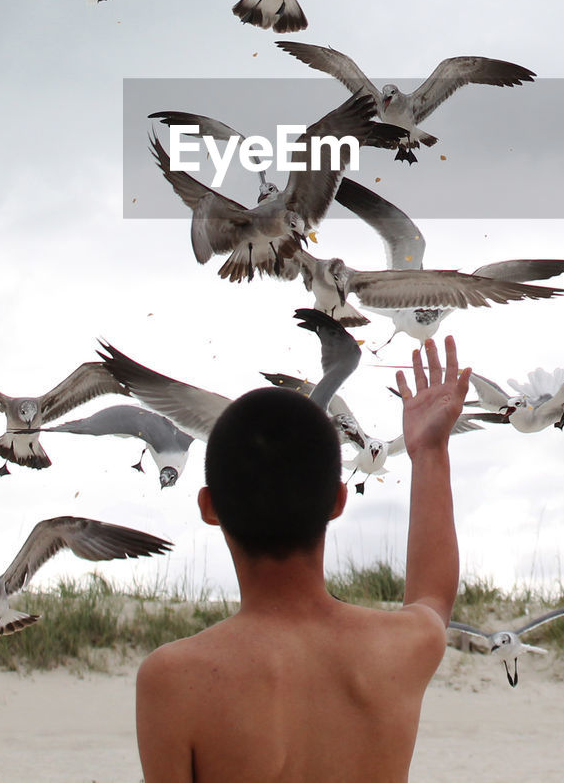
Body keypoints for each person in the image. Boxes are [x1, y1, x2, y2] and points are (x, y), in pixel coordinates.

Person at [134, 335, 472, 783]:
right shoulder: (398, 647)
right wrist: (430, 452)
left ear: (209, 507)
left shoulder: (176, 679)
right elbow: (432, 595)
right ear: (336, 500)